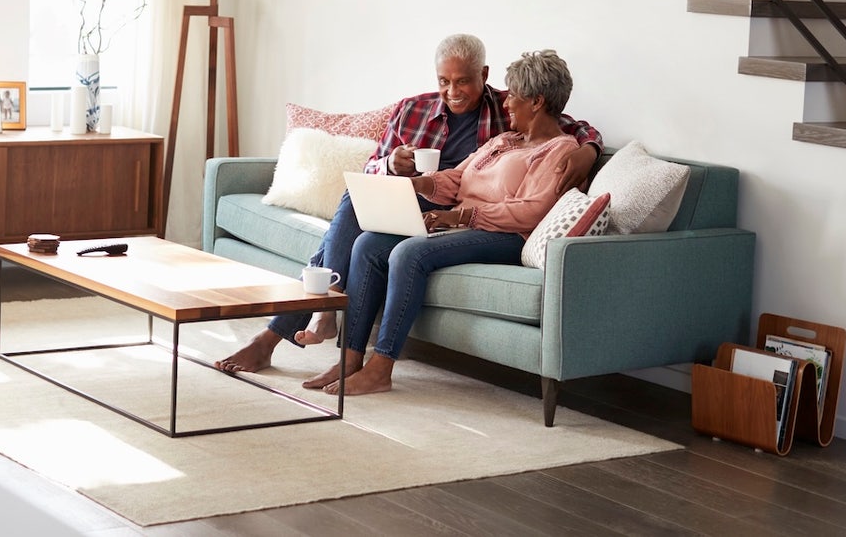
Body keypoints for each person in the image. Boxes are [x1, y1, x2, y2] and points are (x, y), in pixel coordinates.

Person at [214, 34, 602, 374]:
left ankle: (306, 323)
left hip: (460, 214)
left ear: (484, 76)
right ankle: (327, 321)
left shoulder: (511, 114)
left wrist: (589, 149)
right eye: (444, 81)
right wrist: (395, 169)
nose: (453, 91)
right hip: (422, 195)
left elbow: (561, 124)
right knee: (357, 201)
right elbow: (392, 169)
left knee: (389, 246)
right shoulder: (425, 113)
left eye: (464, 81)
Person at [304, 48, 581, 395]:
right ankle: (349, 358)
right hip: (464, 225)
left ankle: (381, 367)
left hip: (507, 235)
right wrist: (417, 184)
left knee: (409, 253)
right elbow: (458, 178)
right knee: (369, 243)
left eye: (514, 97)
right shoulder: (504, 141)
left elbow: (532, 210)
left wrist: (461, 215)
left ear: (537, 102)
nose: (507, 103)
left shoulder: (560, 150)